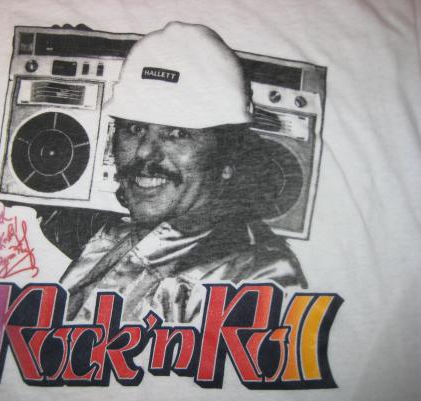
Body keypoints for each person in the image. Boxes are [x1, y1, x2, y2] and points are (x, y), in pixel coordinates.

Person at [60, 21, 306, 323]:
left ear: (227, 157)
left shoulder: (255, 275)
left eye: (177, 133)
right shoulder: (116, 238)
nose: (144, 152)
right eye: (134, 128)